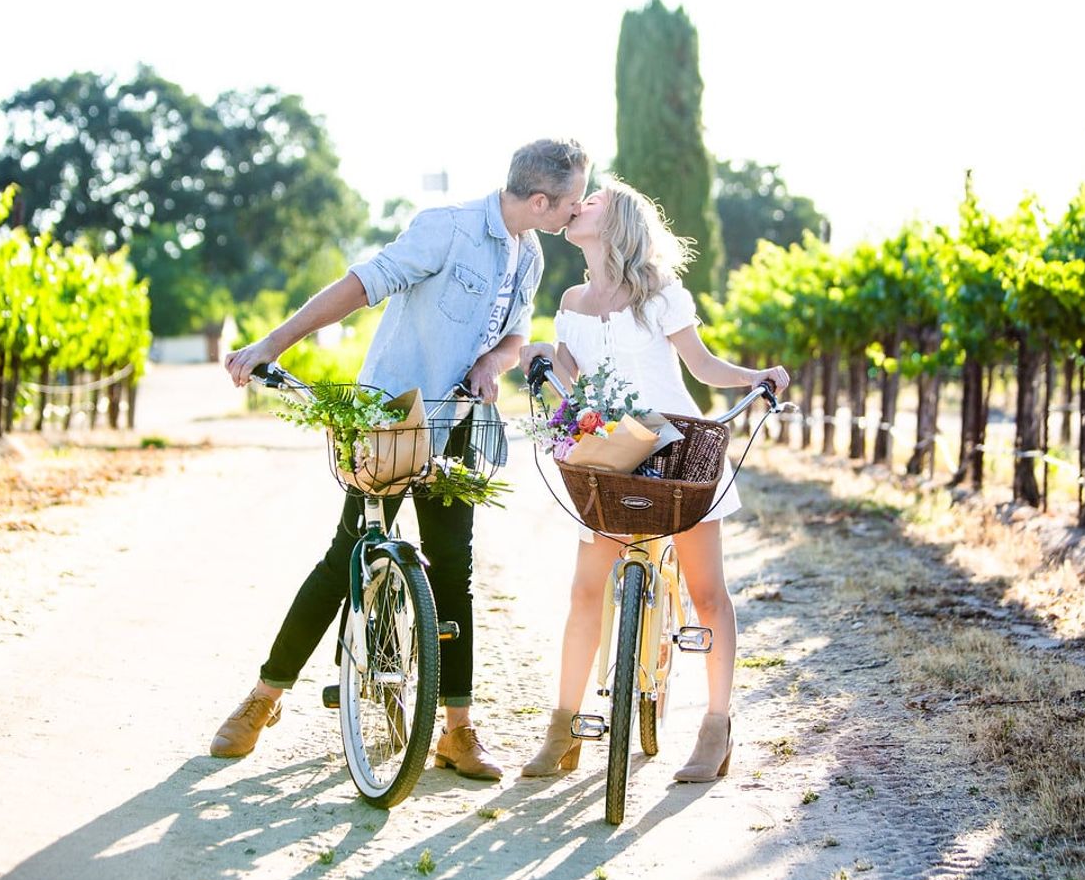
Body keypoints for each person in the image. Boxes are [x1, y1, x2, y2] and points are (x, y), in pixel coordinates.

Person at [216, 138, 590, 780]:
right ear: (539, 200)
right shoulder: (447, 229)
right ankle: (264, 697)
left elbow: (515, 337)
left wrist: (491, 362)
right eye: (572, 200)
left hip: (456, 422)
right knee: (348, 556)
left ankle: (458, 731)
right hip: (389, 420)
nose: (576, 210)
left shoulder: (529, 254)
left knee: (454, 570)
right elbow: (363, 284)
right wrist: (272, 344)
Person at [517, 177, 789, 783]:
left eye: (592, 200)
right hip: (610, 457)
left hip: (679, 453)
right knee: (585, 591)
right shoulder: (572, 300)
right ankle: (563, 731)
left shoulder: (659, 292)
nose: (577, 204)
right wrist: (540, 354)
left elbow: (702, 366)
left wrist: (754, 378)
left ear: (618, 222)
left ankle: (715, 728)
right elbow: (570, 372)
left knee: (708, 593)